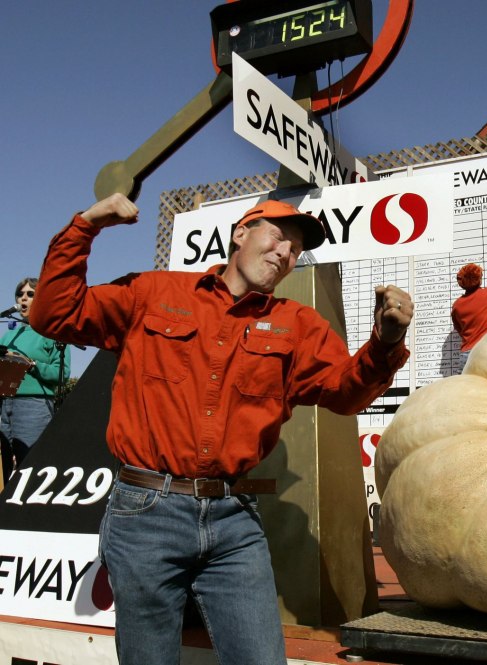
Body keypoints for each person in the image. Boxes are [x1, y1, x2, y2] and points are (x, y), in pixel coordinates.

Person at [30, 193, 413, 665]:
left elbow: (344, 393)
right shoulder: (154, 293)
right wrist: (86, 225)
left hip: (234, 518)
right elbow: (54, 314)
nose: (284, 253)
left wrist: (385, 343)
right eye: (277, 237)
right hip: (146, 512)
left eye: (294, 250)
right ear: (241, 234)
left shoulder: (296, 325)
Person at [0, 277, 70, 480]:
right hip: (5, 404)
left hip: (34, 405)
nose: (23, 298)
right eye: (20, 294)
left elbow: (62, 374)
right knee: (6, 468)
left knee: (29, 468)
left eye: (30, 294)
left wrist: (30, 363)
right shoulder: (8, 336)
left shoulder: (52, 331)